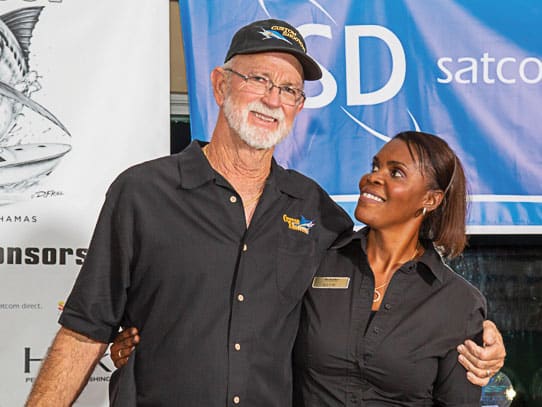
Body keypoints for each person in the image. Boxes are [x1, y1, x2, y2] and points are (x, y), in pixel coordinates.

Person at [26, 18, 504, 407]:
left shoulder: (318, 214)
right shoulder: (142, 193)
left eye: (290, 90)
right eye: (259, 80)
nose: (274, 99)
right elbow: (84, 329)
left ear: (299, 106)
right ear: (219, 84)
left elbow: (381, 294)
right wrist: (125, 343)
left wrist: (482, 338)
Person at [292, 131, 490, 405]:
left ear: (430, 200)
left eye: (396, 173)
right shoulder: (318, 258)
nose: (373, 177)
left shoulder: (459, 303)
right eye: (375, 166)